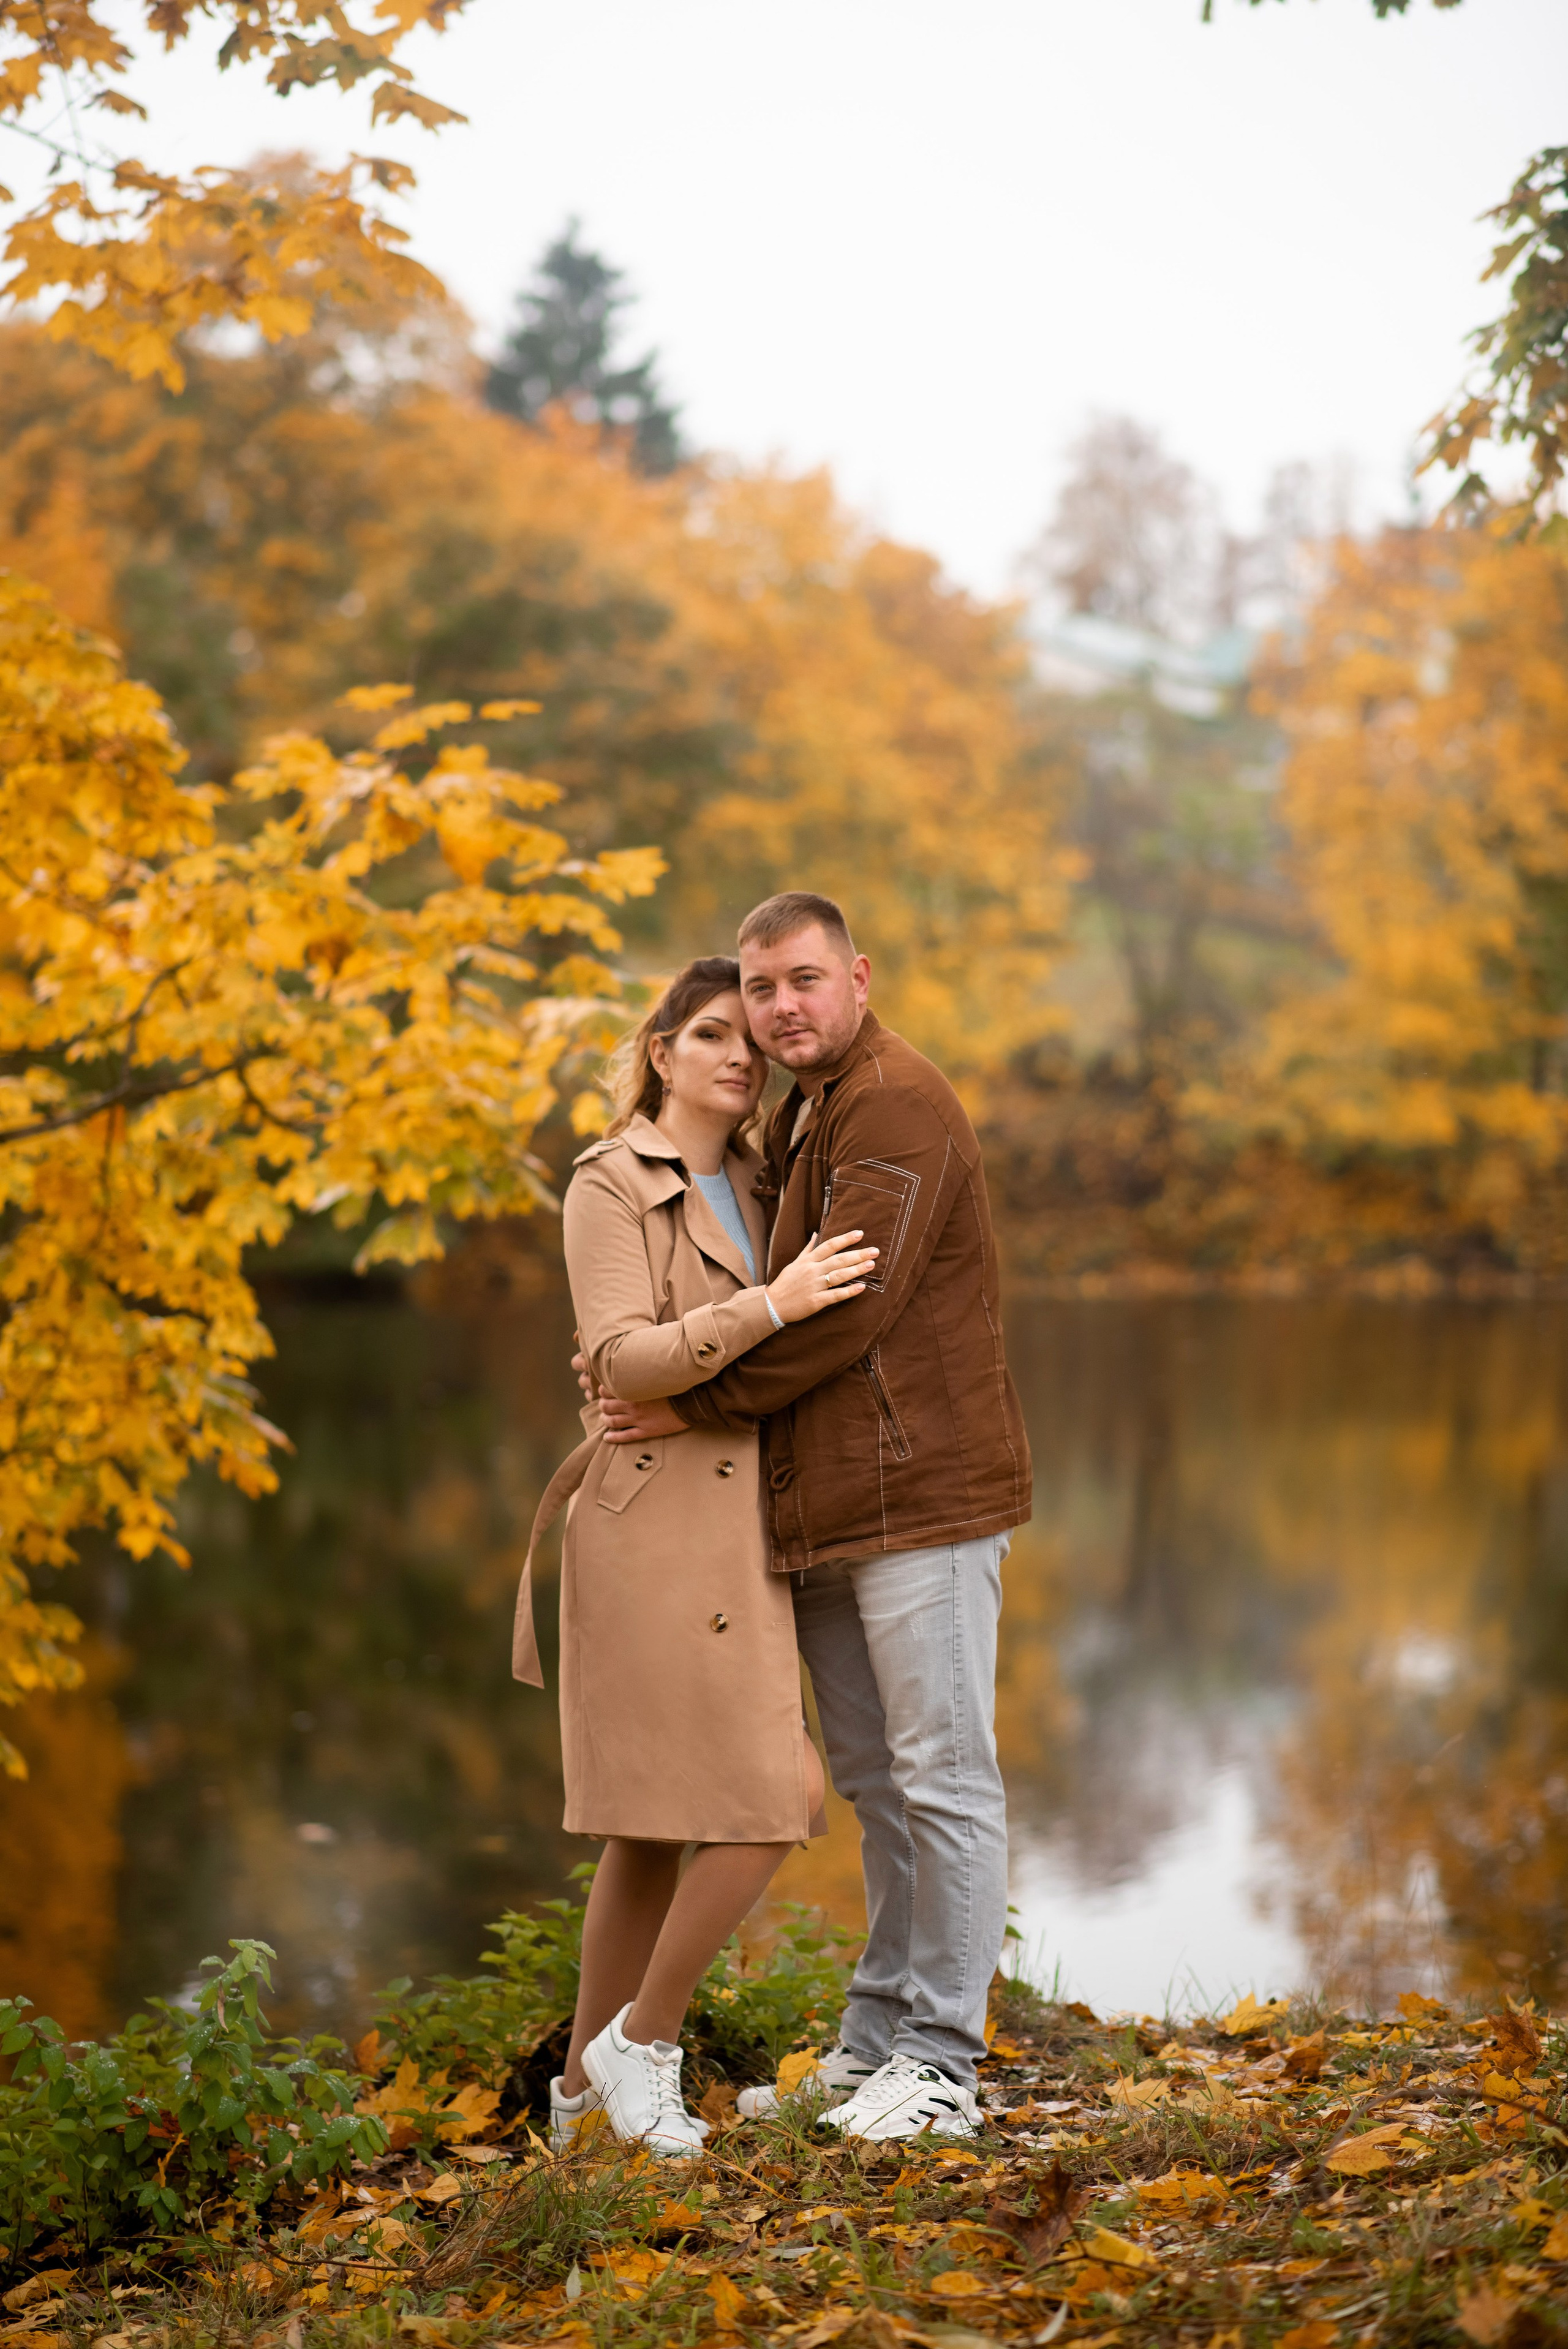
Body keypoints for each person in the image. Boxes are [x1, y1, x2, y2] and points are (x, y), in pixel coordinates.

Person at [596, 892, 1031, 2144]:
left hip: (921, 1496)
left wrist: (689, 1401)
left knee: (943, 1778)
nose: (781, 1007)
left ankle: (940, 2066)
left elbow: (847, 1312)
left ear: (858, 976)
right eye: (761, 987)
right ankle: (876, 2046)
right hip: (832, 1502)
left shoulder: (892, 1103)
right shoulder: (803, 1113)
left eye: (803, 979)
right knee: (883, 1788)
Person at [511, 955, 879, 2158]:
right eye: (711, 1033)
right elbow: (624, 1360)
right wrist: (772, 1305)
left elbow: (772, 1354)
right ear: (662, 1052)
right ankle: (644, 2041)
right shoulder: (608, 1182)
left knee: (660, 1823)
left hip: (750, 1526)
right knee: (771, 1797)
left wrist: (741, 1341)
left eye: (750, 1041)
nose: (738, 1055)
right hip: (650, 1529)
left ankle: (579, 2100)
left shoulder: (774, 1182)